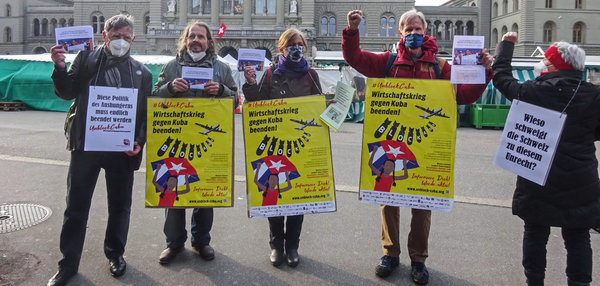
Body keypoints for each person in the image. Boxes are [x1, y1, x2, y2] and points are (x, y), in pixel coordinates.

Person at [342, 8, 493, 285]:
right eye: (408, 29)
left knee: (423, 203)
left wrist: (484, 71)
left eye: (417, 29)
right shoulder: (388, 62)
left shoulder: (441, 67)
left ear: (426, 33)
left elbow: (466, 95)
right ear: (401, 33)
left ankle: (418, 259)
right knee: (388, 199)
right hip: (391, 144)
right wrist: (352, 31)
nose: (413, 33)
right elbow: (355, 58)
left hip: (425, 143)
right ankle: (390, 253)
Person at [47, 14, 152, 286]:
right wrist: (59, 67)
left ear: (133, 39)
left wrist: (139, 140)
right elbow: (67, 92)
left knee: (120, 206)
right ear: (105, 37)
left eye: (125, 37)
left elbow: (145, 115)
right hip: (86, 147)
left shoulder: (143, 73)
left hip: (122, 151)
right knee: (76, 207)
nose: (120, 42)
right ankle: (67, 264)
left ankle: (115, 254)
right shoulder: (86, 60)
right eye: (115, 36)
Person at [493, 32, 600, 286]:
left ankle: (535, 281)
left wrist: (506, 46)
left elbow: (502, 78)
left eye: (546, 62)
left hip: (537, 173)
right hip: (581, 180)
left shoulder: (534, 90)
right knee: (578, 237)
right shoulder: (595, 96)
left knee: (535, 232)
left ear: (553, 66)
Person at [152, 21, 237, 265]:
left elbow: (235, 98)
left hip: (209, 141)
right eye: (192, 36)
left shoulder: (221, 68)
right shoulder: (171, 66)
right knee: (173, 189)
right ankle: (174, 243)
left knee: (204, 191)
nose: (196, 40)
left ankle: (201, 241)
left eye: (201, 36)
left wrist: (221, 90)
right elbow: (155, 95)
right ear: (185, 40)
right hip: (176, 140)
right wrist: (169, 88)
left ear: (209, 41)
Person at [242, 28, 323, 268]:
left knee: (298, 197)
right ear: (282, 49)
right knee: (274, 196)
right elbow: (256, 106)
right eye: (292, 44)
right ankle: (276, 245)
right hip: (275, 146)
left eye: (300, 44)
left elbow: (320, 109)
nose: (296, 48)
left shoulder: (311, 76)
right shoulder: (269, 75)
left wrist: (335, 105)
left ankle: (293, 246)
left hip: (301, 146)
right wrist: (250, 84)